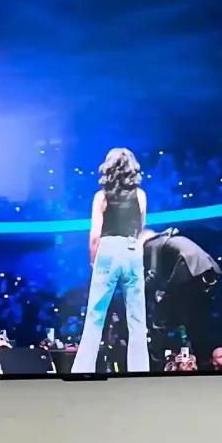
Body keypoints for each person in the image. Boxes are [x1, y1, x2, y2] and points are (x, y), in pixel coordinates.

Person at [73, 147, 150, 375]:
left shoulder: (101, 197)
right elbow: (140, 228)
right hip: (132, 248)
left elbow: (95, 236)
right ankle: (140, 372)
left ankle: (82, 370)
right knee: (137, 319)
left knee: (95, 316)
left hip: (108, 250)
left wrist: (93, 260)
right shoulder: (140, 195)